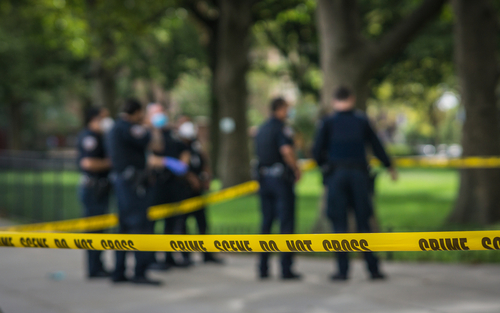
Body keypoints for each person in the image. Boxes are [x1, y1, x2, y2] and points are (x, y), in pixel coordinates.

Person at [312, 86, 398, 281]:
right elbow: (376, 145)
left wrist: (325, 167)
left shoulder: (327, 122)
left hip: (336, 176)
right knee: (363, 223)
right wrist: (389, 166)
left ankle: (342, 271)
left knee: (339, 224)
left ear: (335, 101)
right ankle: (373, 268)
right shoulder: (361, 120)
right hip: (359, 176)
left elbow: (316, 151)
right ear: (352, 99)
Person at [106, 99, 165, 285]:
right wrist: (153, 126)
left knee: (123, 228)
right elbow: (157, 145)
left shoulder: (115, 128)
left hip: (123, 182)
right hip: (133, 184)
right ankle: (140, 272)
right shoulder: (130, 127)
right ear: (137, 112)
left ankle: (119, 271)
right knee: (140, 227)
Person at [254, 97, 302, 280]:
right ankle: (286, 268)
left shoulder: (262, 128)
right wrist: (296, 168)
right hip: (281, 180)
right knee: (286, 224)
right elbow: (286, 151)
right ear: (280, 109)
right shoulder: (282, 128)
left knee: (266, 223)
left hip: (264, 180)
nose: (288, 112)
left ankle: (263, 267)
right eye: (287, 108)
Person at [146, 104, 192, 269]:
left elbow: (184, 161)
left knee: (172, 223)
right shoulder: (147, 135)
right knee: (151, 223)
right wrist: (168, 161)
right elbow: (151, 158)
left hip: (174, 185)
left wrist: (166, 162)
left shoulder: (174, 136)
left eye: (161, 113)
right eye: (155, 114)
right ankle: (149, 258)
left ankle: (169, 256)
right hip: (155, 185)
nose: (160, 117)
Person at [176, 120, 223, 265]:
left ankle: (207, 253)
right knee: (183, 225)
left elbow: (205, 163)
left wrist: (206, 178)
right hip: (184, 192)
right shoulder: (181, 148)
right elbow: (182, 167)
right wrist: (192, 178)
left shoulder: (196, 148)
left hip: (198, 193)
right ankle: (186, 255)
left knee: (202, 223)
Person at [77, 107, 113, 279]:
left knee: (100, 229)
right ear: (94, 118)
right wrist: (110, 163)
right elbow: (88, 163)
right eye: (103, 117)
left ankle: (98, 265)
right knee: (93, 230)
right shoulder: (89, 137)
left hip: (101, 188)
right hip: (92, 188)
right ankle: (93, 268)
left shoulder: (101, 136)